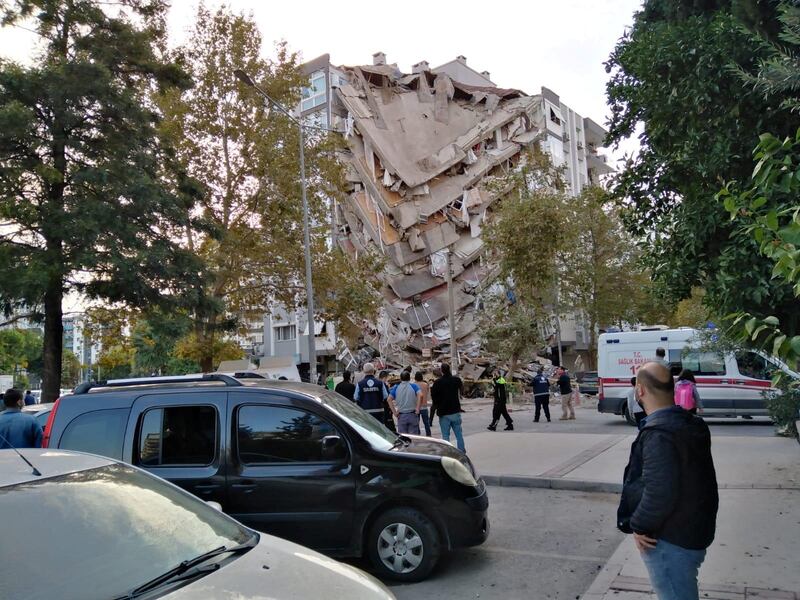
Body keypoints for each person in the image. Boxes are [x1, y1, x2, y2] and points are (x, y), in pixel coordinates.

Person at [617, 362, 718, 600]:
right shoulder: (689, 423)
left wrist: (638, 525)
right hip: (692, 530)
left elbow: (659, 492)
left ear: (639, 390)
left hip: (670, 539)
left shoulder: (659, 434)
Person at [430, 363, 466, 452]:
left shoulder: (437, 383)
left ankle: (448, 452)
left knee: (445, 435)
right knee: (459, 434)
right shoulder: (456, 380)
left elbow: (434, 397)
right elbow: (462, 389)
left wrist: (436, 406)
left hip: (444, 413)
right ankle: (462, 451)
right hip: (455, 411)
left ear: (441, 371)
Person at [415, 371, 432, 436]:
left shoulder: (413, 385)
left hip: (416, 406)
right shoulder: (425, 385)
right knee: (426, 423)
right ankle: (428, 435)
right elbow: (428, 395)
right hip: (424, 406)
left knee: (416, 423)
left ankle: (418, 434)